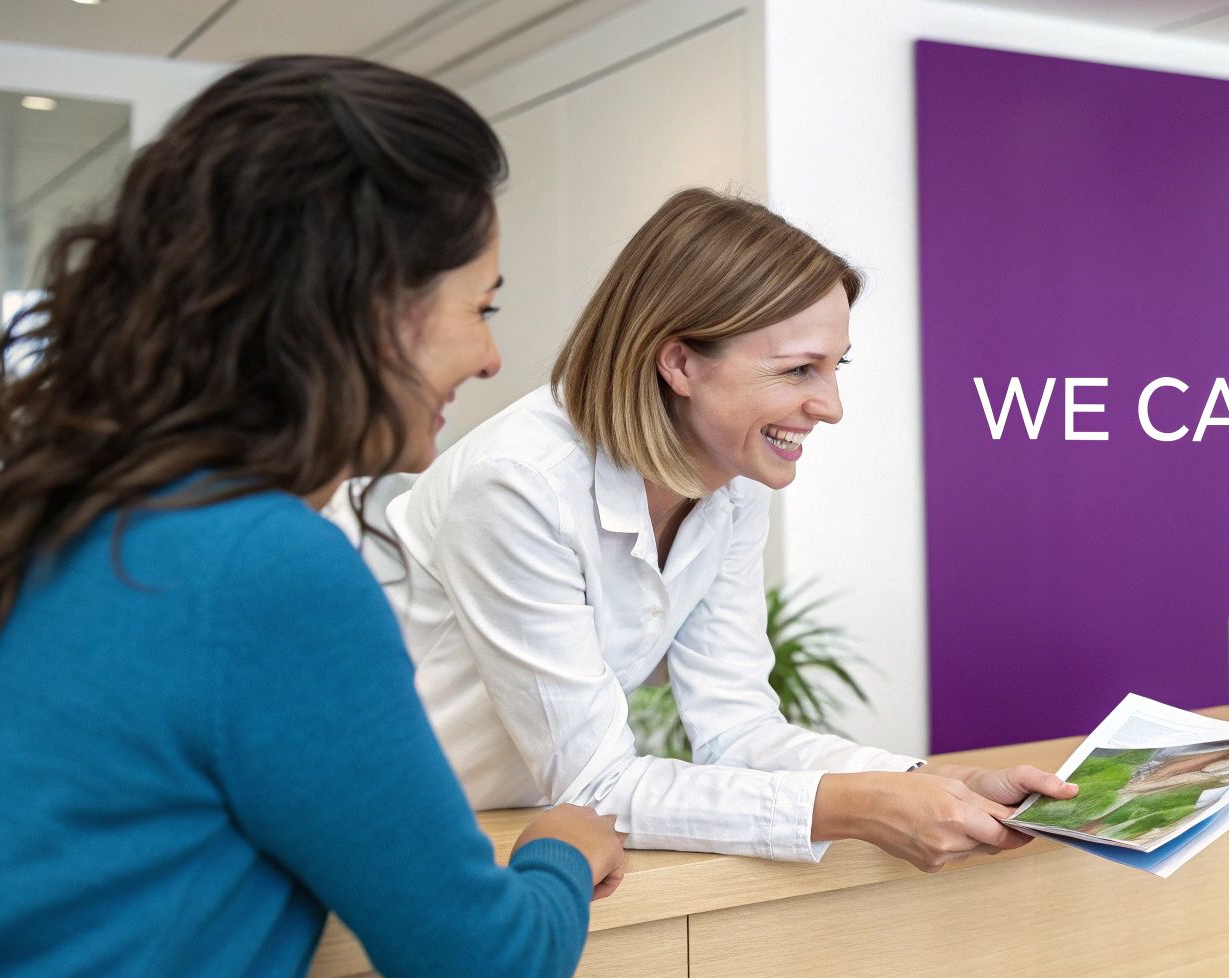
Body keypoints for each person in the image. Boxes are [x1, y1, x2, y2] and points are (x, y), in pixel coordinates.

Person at [0, 56, 623, 978]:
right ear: (365, 305)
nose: (490, 355)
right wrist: (562, 846)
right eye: (482, 305)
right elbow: (491, 974)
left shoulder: (50, 513)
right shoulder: (258, 566)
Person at [383, 188, 1076, 872]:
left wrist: (932, 782)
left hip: (522, 827)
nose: (830, 407)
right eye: (799, 369)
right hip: (404, 837)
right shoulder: (518, 481)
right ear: (679, 362)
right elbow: (596, 783)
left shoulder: (731, 480)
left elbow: (736, 727)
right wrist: (864, 805)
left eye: (837, 368)